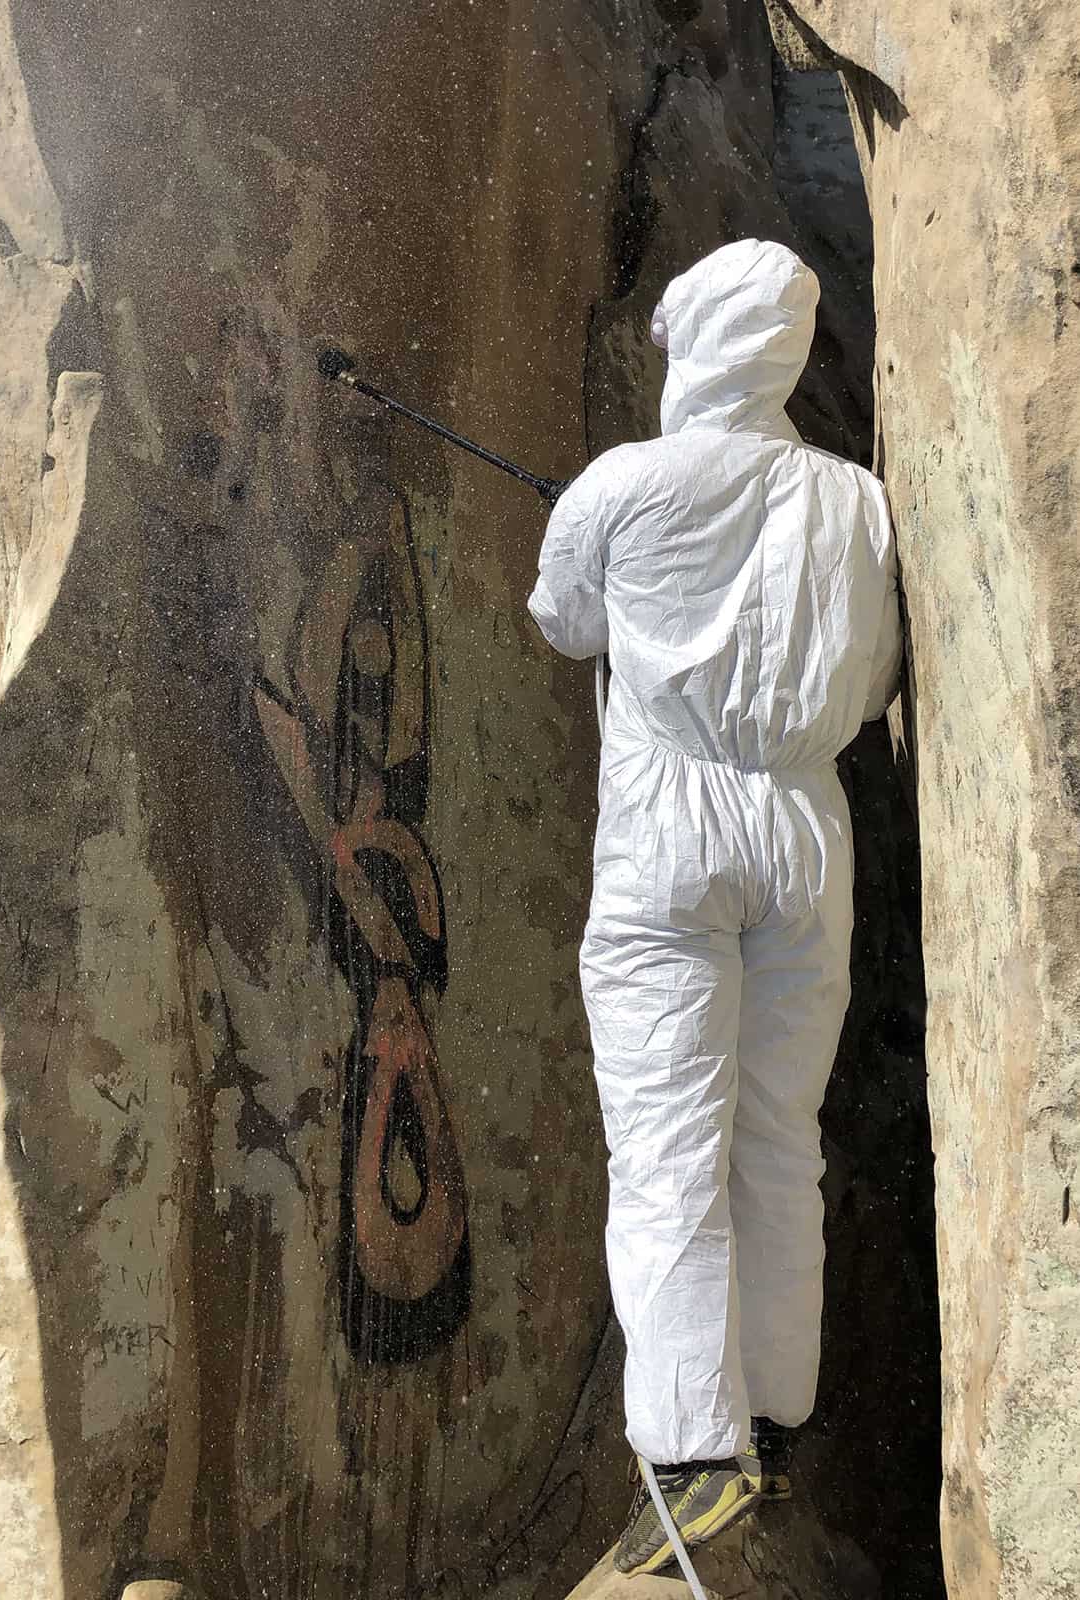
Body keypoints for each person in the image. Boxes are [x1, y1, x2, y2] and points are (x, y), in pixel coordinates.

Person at [527, 238, 902, 1577]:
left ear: (693, 343)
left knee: (667, 1146)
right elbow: (869, 690)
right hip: (805, 827)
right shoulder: (859, 502)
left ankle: (692, 1456)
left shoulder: (621, 484)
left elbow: (563, 620)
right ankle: (780, 1422)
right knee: (776, 1137)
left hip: (668, 835)